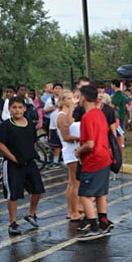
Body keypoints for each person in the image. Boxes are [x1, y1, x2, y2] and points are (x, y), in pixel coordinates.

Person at [0, 96, 45, 236]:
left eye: (20, 107)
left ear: (24, 108)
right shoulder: (6, 125)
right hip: (13, 165)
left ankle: (31, 213)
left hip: (29, 162)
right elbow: (0, 144)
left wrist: (31, 153)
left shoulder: (29, 123)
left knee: (37, 189)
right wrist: (13, 158)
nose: (17, 110)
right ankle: (13, 222)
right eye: (14, 107)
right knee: (13, 194)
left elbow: (33, 141)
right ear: (10, 109)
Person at [74, 85, 114, 240]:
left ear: (83, 97)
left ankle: (94, 226)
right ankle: (104, 222)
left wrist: (79, 151)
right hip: (105, 157)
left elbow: (90, 143)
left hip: (93, 159)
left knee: (84, 194)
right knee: (100, 193)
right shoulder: (99, 113)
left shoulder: (87, 116)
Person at [56, 90, 82, 221]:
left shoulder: (69, 114)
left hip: (74, 149)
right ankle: (73, 211)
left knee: (73, 182)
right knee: (74, 182)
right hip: (70, 151)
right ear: (62, 101)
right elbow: (66, 136)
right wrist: (83, 138)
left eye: (72, 98)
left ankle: (72, 209)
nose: (71, 100)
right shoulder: (61, 116)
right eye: (68, 98)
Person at [44, 83, 63, 167]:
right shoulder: (50, 100)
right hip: (53, 126)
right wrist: (51, 109)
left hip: (63, 126)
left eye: (59, 88)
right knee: (56, 145)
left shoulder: (65, 99)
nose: (57, 90)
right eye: (56, 88)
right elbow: (44, 111)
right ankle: (55, 161)